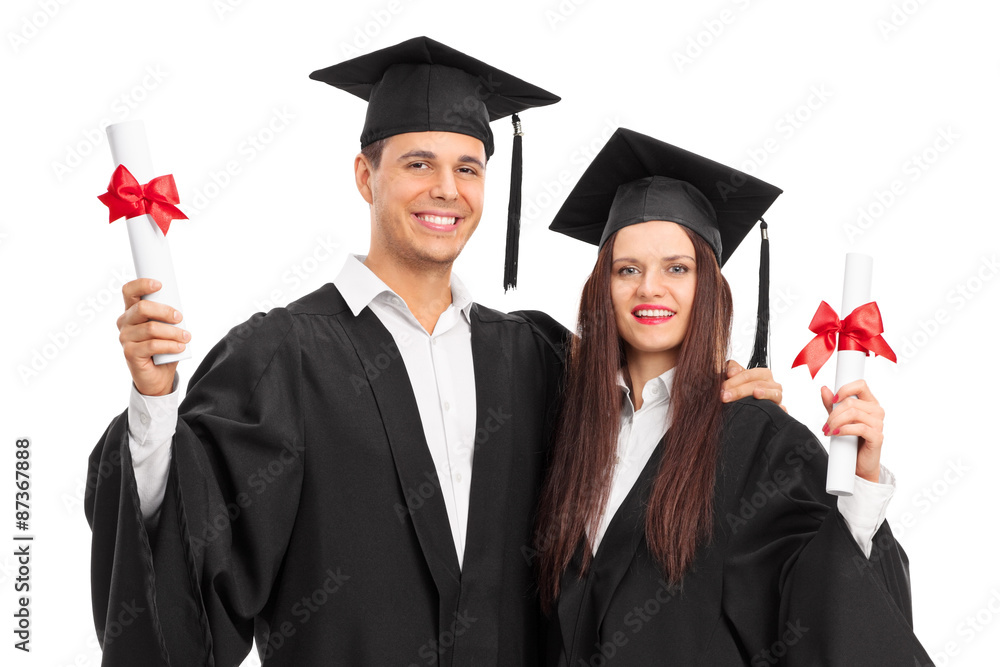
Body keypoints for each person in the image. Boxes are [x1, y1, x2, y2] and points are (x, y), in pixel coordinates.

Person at [84, 39, 782, 666]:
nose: (447, 190)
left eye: (468, 168)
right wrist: (153, 403)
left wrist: (719, 392)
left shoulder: (536, 358)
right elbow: (187, 538)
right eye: (419, 163)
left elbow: (637, 423)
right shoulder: (281, 358)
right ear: (366, 175)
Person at [536, 128, 932, 665]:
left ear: (710, 288)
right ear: (601, 287)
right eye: (627, 269)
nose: (650, 287)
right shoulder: (562, 418)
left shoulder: (755, 438)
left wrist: (858, 488)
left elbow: (812, 603)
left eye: (678, 268)